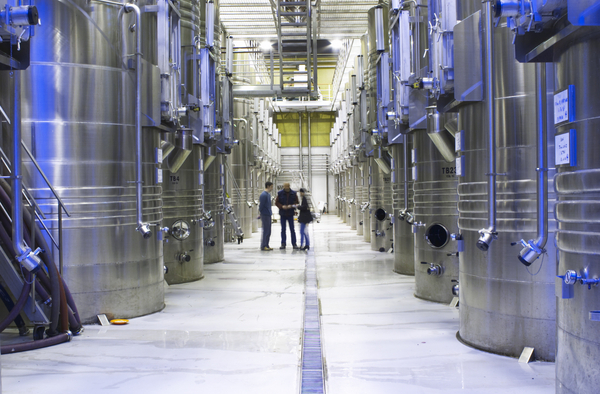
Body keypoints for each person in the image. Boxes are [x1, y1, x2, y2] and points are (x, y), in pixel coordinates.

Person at [275, 182, 299, 250]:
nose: (286, 188)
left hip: (290, 213)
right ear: (283, 186)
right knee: (283, 229)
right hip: (283, 214)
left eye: (287, 186)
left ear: (289, 186)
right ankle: (283, 244)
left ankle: (294, 244)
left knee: (292, 229)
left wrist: (291, 206)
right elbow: (276, 202)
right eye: (285, 186)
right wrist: (282, 206)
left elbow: (297, 202)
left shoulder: (294, 194)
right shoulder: (280, 193)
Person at [259, 181, 273, 251]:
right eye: (271, 187)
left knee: (268, 231)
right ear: (268, 186)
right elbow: (261, 206)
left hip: (268, 214)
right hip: (265, 214)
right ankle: (263, 245)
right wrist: (261, 213)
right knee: (266, 230)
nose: (272, 188)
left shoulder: (268, 194)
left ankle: (266, 244)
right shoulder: (263, 195)